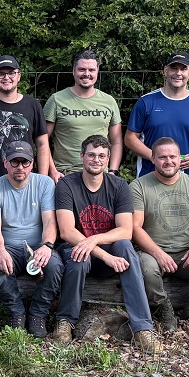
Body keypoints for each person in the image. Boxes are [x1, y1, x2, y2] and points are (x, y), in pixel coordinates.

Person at [53, 135, 163, 354]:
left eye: (101, 156)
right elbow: (66, 231)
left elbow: (126, 229)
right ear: (82, 156)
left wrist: (94, 238)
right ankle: (65, 321)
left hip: (111, 253)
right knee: (78, 255)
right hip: (79, 251)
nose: (96, 160)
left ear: (108, 159)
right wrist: (103, 255)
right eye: (91, 155)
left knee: (124, 245)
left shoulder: (119, 185)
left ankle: (142, 328)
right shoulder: (66, 184)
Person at [0, 54, 52, 281]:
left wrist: (41, 178)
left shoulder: (32, 105)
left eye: (11, 73)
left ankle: (31, 278)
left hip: (24, 180)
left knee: (28, 229)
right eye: (1, 73)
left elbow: (42, 143)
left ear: (19, 76)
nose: (6, 77)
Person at [130, 138, 189, 332]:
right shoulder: (138, 186)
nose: (168, 161)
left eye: (173, 156)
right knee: (146, 269)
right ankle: (163, 307)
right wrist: (158, 254)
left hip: (186, 252)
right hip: (152, 251)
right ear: (153, 159)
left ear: (179, 158)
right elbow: (134, 228)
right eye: (162, 157)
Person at [0, 141, 61, 338]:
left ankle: (38, 314)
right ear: (5, 163)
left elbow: (50, 222)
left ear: (32, 163)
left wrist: (46, 246)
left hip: (38, 245)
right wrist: (0, 251)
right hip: (9, 246)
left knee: (55, 266)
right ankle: (16, 313)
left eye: (25, 162)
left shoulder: (45, 183)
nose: (20, 168)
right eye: (15, 162)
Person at [124, 52, 189, 179]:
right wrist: (155, 157)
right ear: (165, 70)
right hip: (150, 178)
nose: (178, 73)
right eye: (174, 68)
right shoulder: (146, 102)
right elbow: (130, 138)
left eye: (183, 69)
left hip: (188, 178)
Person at [45, 50, 124, 180]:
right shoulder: (56, 100)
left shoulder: (109, 101)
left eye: (91, 70)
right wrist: (52, 171)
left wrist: (112, 172)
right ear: (73, 71)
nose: (87, 74)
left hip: (99, 176)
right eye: (82, 69)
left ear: (97, 72)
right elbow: (42, 140)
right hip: (65, 175)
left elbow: (116, 141)